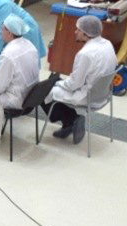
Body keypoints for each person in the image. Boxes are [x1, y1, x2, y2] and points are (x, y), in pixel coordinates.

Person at [42, 14, 117, 144]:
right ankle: (70, 121)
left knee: (42, 91)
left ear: (86, 34)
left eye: (78, 30)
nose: (75, 32)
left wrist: (58, 83)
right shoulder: (107, 44)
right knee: (54, 83)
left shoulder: (85, 54)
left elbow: (73, 84)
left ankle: (71, 120)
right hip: (103, 93)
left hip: (87, 96)